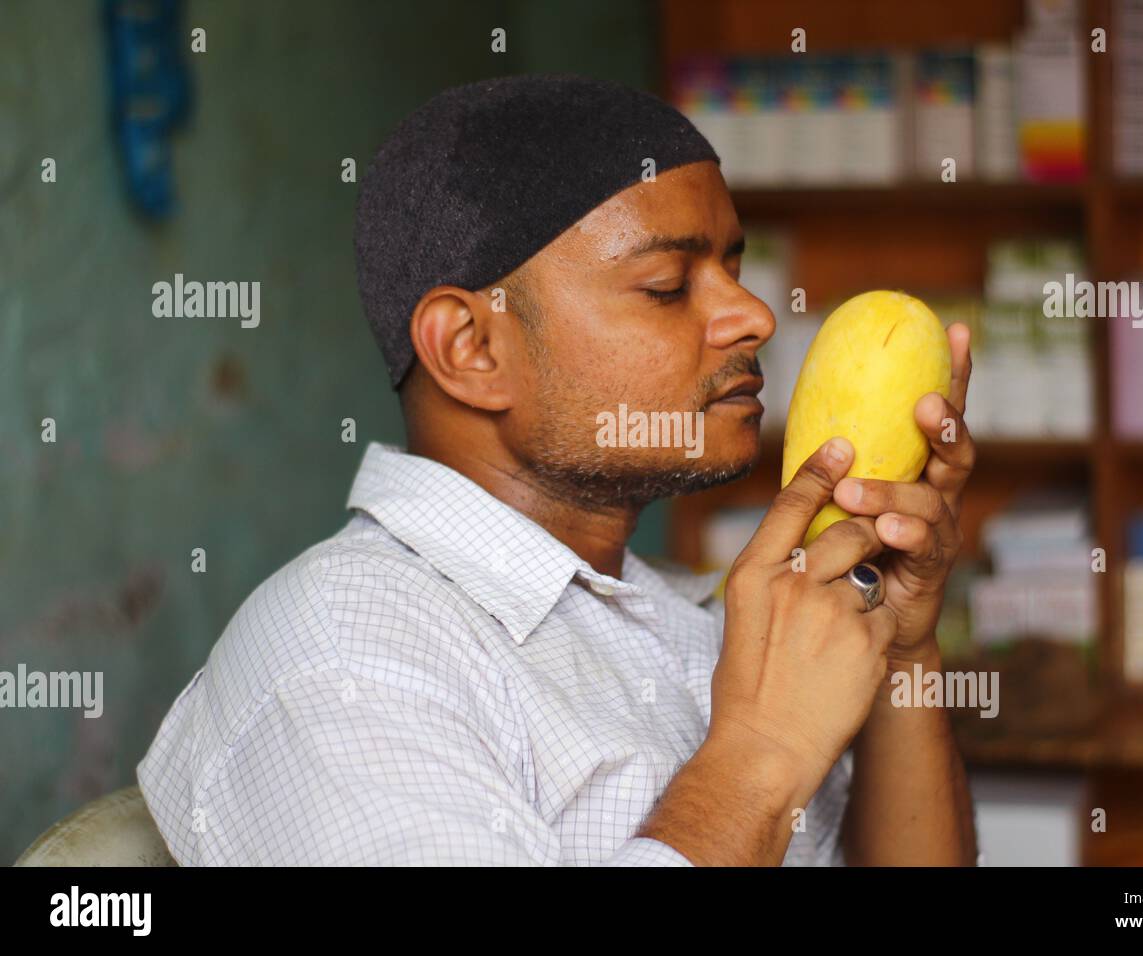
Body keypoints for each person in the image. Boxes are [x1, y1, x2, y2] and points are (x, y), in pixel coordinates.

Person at [137, 74, 978, 866]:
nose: (753, 316)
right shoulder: (343, 661)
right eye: (666, 284)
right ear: (472, 349)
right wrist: (761, 756)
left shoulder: (687, 622)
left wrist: (902, 647)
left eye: (734, 266)